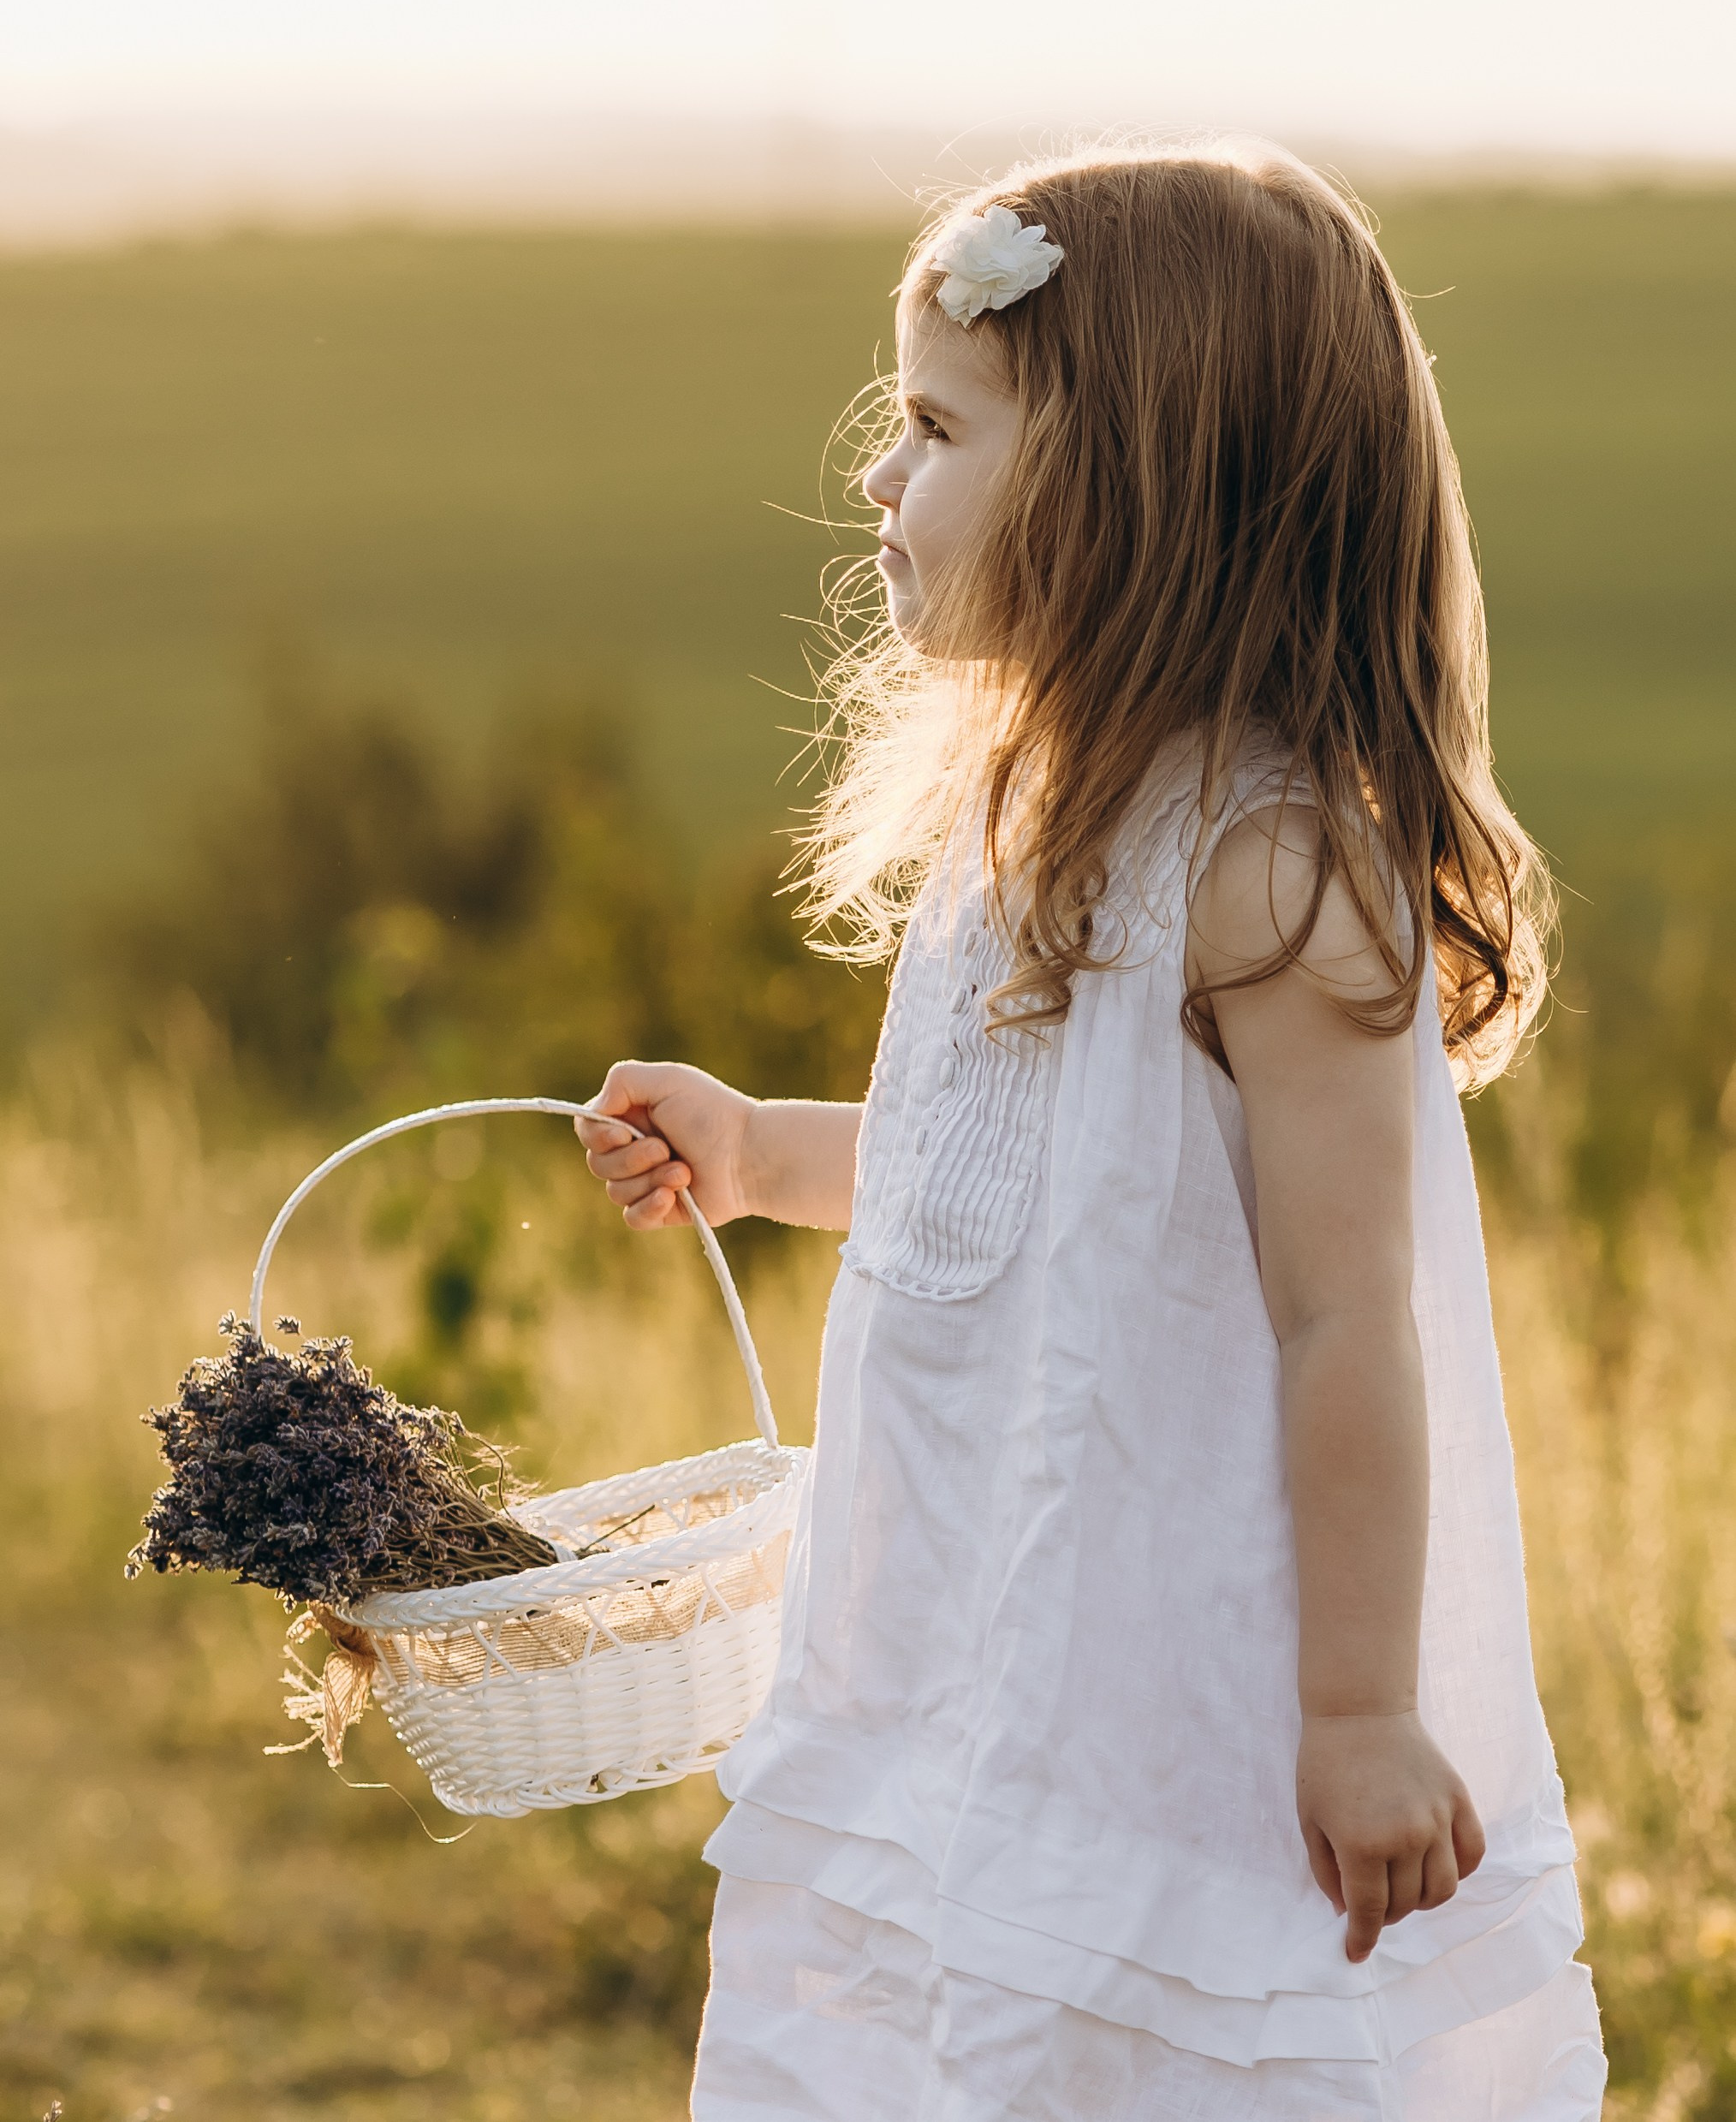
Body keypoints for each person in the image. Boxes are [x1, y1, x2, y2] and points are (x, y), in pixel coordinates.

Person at [578, 144, 1607, 2119]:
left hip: (1169, 1666)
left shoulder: (1272, 870)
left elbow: (1349, 1320)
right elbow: (1018, 1175)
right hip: (969, 1626)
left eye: (937, 428)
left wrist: (1359, 1706)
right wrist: (761, 1152)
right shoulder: (1034, 812)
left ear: (1123, 495)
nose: (878, 479)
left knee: (1141, 2045)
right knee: (937, 2038)